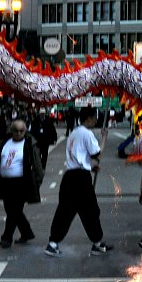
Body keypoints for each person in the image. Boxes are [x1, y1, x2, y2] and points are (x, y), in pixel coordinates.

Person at [44, 106, 112, 257]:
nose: (96, 120)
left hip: (70, 177)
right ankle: (97, 244)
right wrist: (104, 138)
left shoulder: (74, 132)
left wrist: (90, 167)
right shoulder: (86, 134)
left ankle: (53, 243)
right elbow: (97, 155)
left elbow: (79, 156)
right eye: (94, 117)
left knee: (64, 211)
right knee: (91, 211)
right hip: (80, 180)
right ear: (88, 118)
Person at [0, 120, 44, 248]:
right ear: (11, 131)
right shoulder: (3, 143)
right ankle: (26, 232)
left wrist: (38, 181)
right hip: (5, 183)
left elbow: (37, 165)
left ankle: (6, 238)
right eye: (16, 131)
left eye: (21, 131)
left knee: (14, 211)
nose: (18, 133)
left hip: (21, 183)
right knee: (11, 210)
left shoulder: (29, 145)